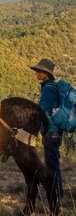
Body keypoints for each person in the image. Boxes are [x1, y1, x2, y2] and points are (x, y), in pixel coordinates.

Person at [30, 58, 64, 198]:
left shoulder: (49, 89)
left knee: (52, 165)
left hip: (52, 132)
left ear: (46, 73)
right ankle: (56, 192)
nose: (36, 73)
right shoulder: (49, 87)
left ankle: (55, 193)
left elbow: (42, 109)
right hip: (53, 131)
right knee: (52, 163)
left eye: (39, 71)